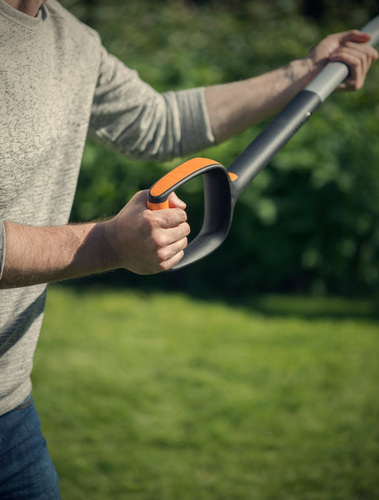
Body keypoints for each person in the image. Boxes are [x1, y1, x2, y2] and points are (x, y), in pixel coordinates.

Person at [0, 0, 377, 498]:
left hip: (9, 408)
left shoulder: (73, 41)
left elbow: (161, 121)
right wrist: (107, 242)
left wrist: (303, 71)